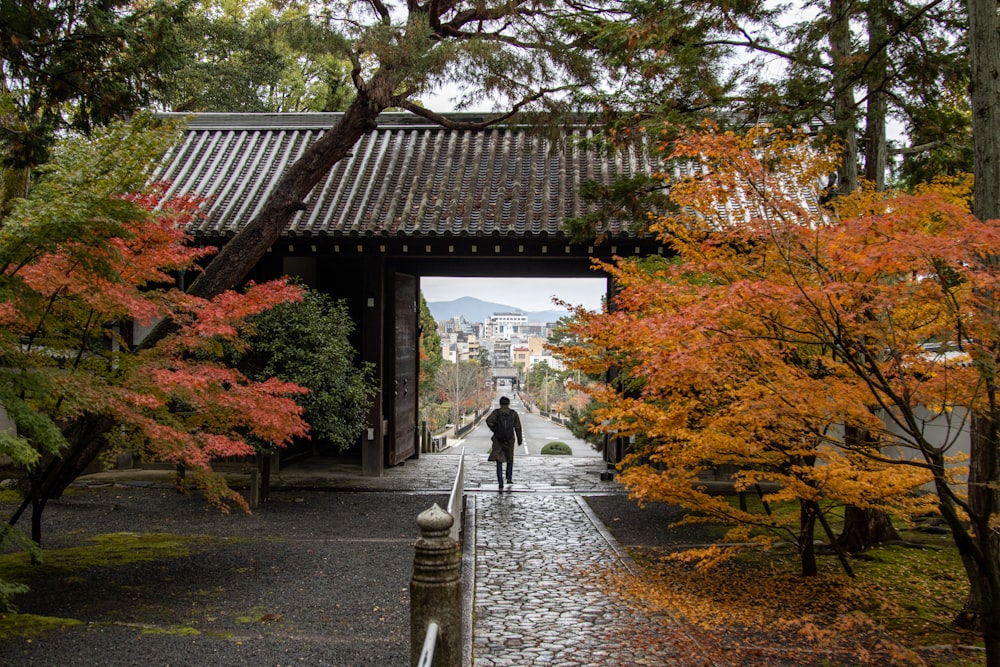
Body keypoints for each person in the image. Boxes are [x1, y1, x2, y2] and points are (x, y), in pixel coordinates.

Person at [485, 396, 523, 490]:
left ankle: (500, 481)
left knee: (499, 460)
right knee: (510, 459)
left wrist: (495, 430)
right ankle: (509, 478)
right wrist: (519, 439)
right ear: (508, 403)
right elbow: (518, 427)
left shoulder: (496, 413)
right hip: (510, 439)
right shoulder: (513, 414)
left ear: (500, 403)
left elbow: (488, 421)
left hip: (498, 439)